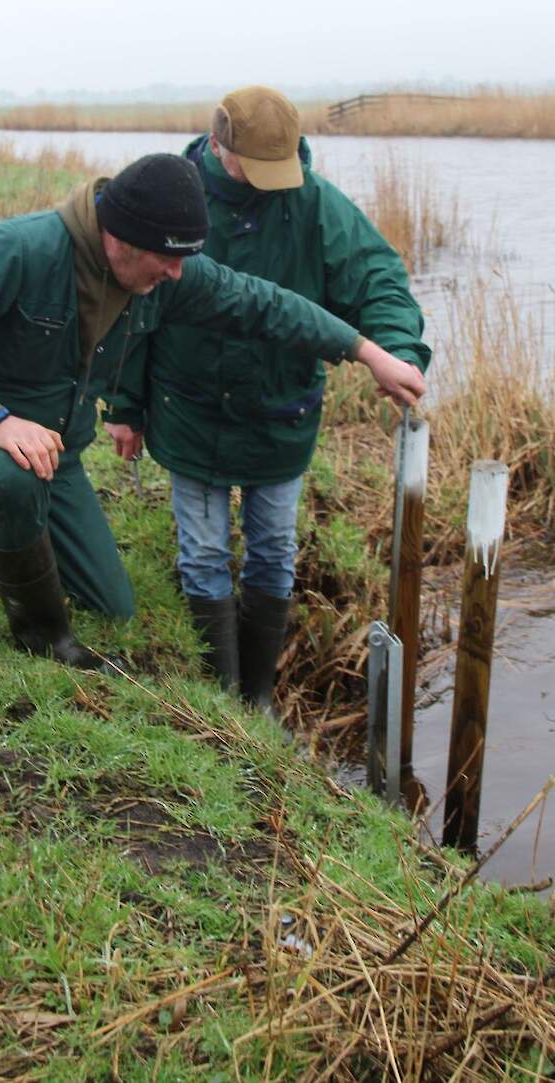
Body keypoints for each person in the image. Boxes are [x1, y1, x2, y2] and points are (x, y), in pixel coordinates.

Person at [0, 153, 424, 672]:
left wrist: (367, 352)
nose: (177, 273)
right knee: (11, 481)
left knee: (112, 605)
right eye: (168, 258)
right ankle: (45, 639)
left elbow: (266, 304)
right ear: (119, 238)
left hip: (55, 456)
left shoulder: (163, 276)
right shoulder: (19, 249)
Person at [105, 91, 430, 711]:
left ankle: (256, 701)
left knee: (274, 552)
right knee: (201, 552)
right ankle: (222, 701)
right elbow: (133, 310)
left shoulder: (315, 203)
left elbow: (378, 279)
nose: (270, 184)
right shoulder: (172, 199)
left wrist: (399, 349)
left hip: (282, 412)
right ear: (218, 146)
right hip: (188, 409)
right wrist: (125, 406)